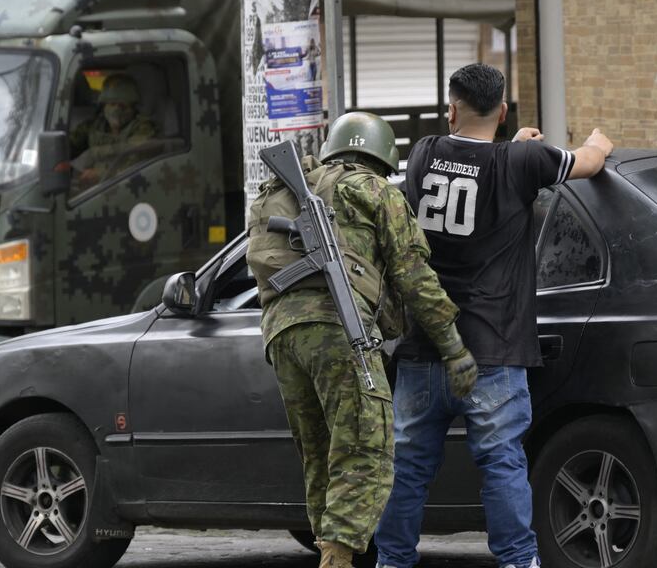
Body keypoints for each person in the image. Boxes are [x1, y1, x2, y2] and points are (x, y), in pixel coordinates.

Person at [375, 63, 614, 568]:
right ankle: (517, 562)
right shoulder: (523, 162)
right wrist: (599, 140)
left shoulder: (423, 153)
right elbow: (588, 163)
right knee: (502, 464)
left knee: (406, 469)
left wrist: (514, 148)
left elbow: (469, 159)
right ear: (503, 112)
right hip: (494, 352)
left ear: (451, 109)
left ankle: (391, 561)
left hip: (425, 349)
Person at [246, 112, 479, 567]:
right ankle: (338, 560)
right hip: (337, 330)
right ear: (382, 158)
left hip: (281, 335)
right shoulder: (373, 191)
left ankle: (331, 551)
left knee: (320, 456)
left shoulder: (288, 191)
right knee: (366, 449)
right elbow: (416, 279)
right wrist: (453, 347)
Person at [69, 73, 159, 188]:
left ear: (132, 107)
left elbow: (137, 161)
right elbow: (70, 144)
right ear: (104, 105)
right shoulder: (95, 124)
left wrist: (100, 173)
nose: (116, 109)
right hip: (90, 189)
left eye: (122, 105)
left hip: (123, 187)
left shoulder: (143, 128)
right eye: (112, 104)